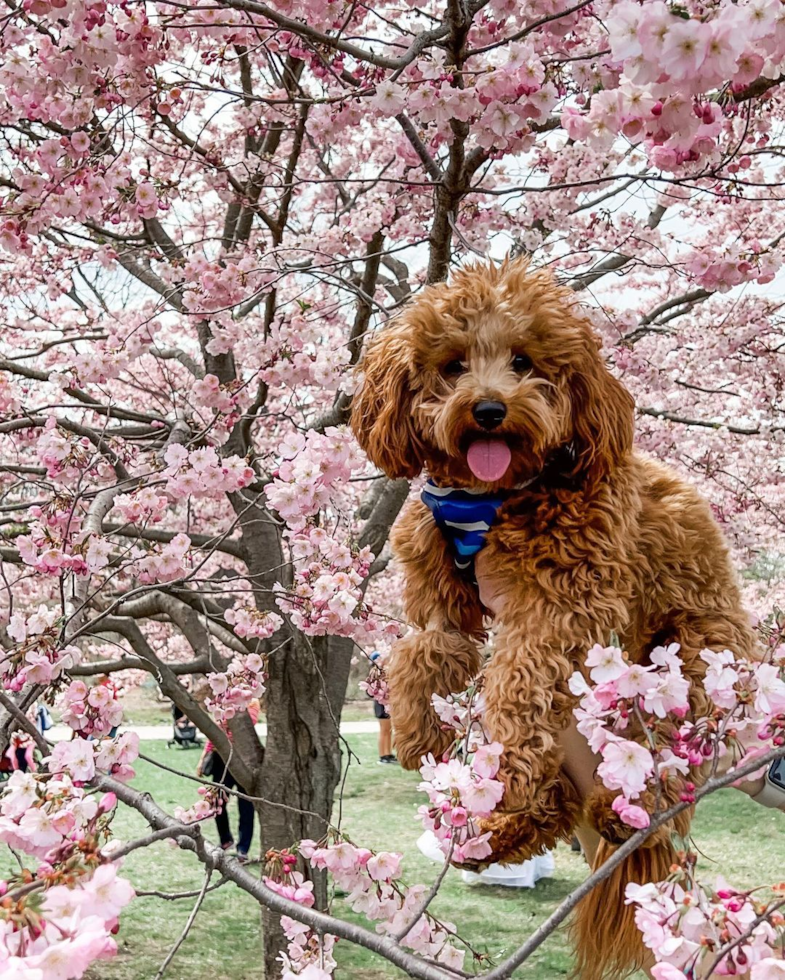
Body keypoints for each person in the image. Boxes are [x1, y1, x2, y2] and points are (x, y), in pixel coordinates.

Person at [196, 700, 259, 863]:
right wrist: (203, 757)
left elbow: (247, 723)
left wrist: (226, 717)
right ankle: (226, 839)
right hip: (221, 758)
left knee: (246, 806)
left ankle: (243, 848)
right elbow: (216, 732)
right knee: (217, 802)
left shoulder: (251, 701)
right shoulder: (223, 700)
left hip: (244, 759)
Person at [369, 652, 397, 765]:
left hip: (388, 704)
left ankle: (388, 753)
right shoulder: (376, 674)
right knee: (384, 730)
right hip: (381, 705)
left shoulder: (386, 672)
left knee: (388, 730)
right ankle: (383, 755)